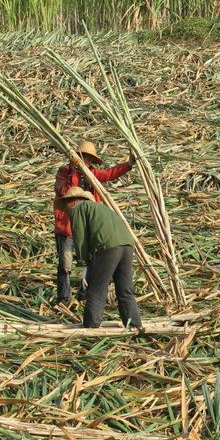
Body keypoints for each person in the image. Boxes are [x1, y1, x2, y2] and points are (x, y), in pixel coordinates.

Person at [54, 141, 134, 307]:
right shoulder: (65, 172)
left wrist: (129, 164)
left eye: (90, 158)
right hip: (67, 227)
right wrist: (74, 171)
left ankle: (84, 296)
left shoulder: (92, 173)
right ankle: (63, 299)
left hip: (90, 227)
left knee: (92, 261)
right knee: (65, 266)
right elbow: (63, 192)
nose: (88, 161)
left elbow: (109, 174)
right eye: (85, 157)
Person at [57, 186, 142, 330]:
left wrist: (84, 263)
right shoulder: (99, 209)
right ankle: (134, 325)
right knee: (125, 289)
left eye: (66, 207)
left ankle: (91, 326)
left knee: (97, 288)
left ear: (73, 201)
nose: (66, 211)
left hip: (108, 247)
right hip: (127, 245)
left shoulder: (78, 209)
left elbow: (80, 237)